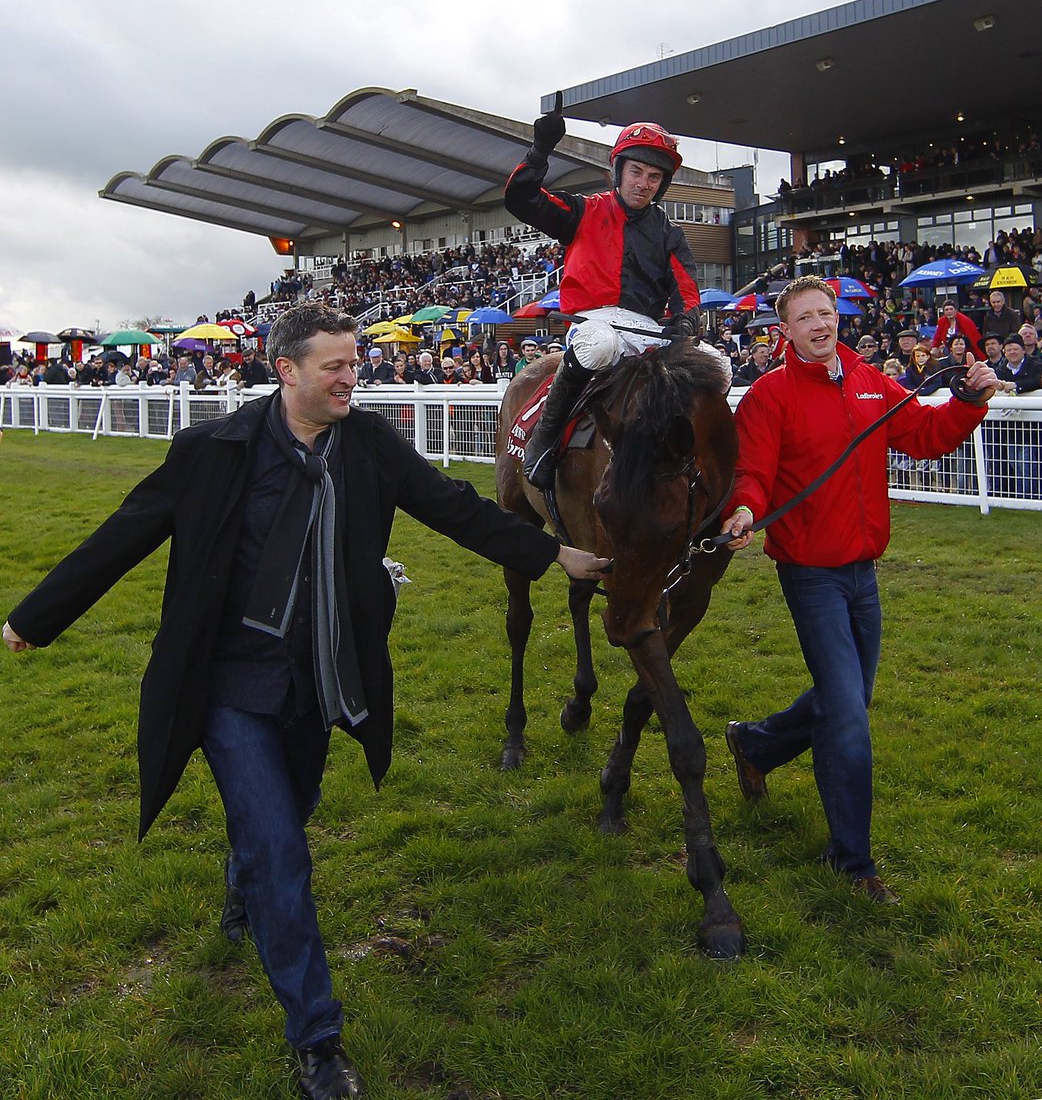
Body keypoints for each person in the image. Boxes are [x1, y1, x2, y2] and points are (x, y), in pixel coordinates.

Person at [2, 303, 609, 1100]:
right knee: (285, 853)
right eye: (335, 366)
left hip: (323, 678)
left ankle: (242, 872)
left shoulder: (368, 446)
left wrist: (553, 552)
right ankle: (318, 1040)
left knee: (287, 814)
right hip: (228, 685)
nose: (351, 377)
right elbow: (125, 533)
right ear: (286, 371)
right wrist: (34, 618)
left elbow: (453, 509)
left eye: (355, 363)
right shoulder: (213, 451)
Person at [718, 277, 997, 906]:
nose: (821, 324)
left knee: (849, 695)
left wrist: (970, 401)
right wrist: (742, 509)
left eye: (827, 313)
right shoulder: (768, 395)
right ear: (783, 331)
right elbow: (753, 473)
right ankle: (853, 862)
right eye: (805, 318)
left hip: (862, 572)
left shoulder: (869, 380)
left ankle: (756, 742)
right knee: (847, 714)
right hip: (809, 574)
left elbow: (923, 436)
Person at [504, 95, 725, 488]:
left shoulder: (669, 233)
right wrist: (540, 150)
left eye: (653, 178)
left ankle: (703, 467)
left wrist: (684, 323)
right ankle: (543, 443)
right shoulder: (583, 210)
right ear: (619, 171)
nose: (643, 184)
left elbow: (686, 290)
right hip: (594, 325)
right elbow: (522, 200)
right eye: (636, 172)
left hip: (650, 333)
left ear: (662, 184)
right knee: (599, 345)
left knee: (718, 365)